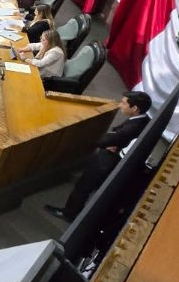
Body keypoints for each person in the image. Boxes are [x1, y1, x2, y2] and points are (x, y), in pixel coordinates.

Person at [45, 91, 153, 221]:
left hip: (105, 162)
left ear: (135, 108)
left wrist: (109, 142)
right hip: (115, 156)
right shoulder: (145, 120)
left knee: (83, 187)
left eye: (124, 103)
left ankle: (69, 213)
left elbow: (104, 140)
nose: (120, 105)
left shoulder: (130, 128)